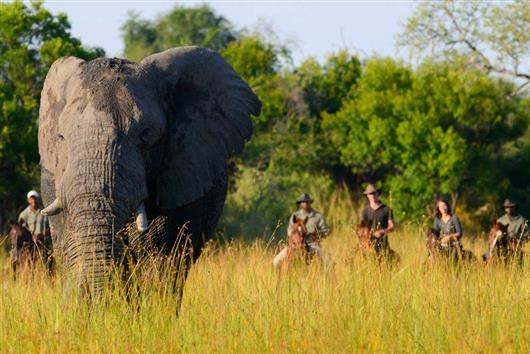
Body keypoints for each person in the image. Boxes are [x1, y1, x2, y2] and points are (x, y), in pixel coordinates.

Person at [273, 193, 331, 268]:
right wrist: (296, 237)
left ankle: (327, 278)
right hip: (294, 245)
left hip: (312, 244)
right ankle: (278, 278)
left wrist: (315, 234)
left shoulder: (318, 216)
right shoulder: (295, 216)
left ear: (310, 202)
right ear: (300, 203)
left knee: (328, 263)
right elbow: (289, 231)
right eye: (303, 202)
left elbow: (325, 230)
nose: (305, 203)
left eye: (307, 201)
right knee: (276, 262)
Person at [360, 184, 398, 263]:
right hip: (368, 244)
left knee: (390, 261)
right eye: (370, 194)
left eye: (374, 193)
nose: (372, 195)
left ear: (377, 194)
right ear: (367, 196)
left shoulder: (386, 209)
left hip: (382, 243)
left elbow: (392, 226)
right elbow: (362, 228)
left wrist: (382, 231)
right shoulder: (365, 211)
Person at [18, 190, 52, 264]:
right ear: (28, 200)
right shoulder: (23, 214)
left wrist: (42, 234)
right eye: (31, 199)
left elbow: (51, 227)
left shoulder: (45, 211)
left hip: (44, 242)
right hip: (29, 244)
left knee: (51, 258)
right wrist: (31, 237)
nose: (33, 200)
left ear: (38, 199)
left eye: (35, 198)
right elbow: (20, 230)